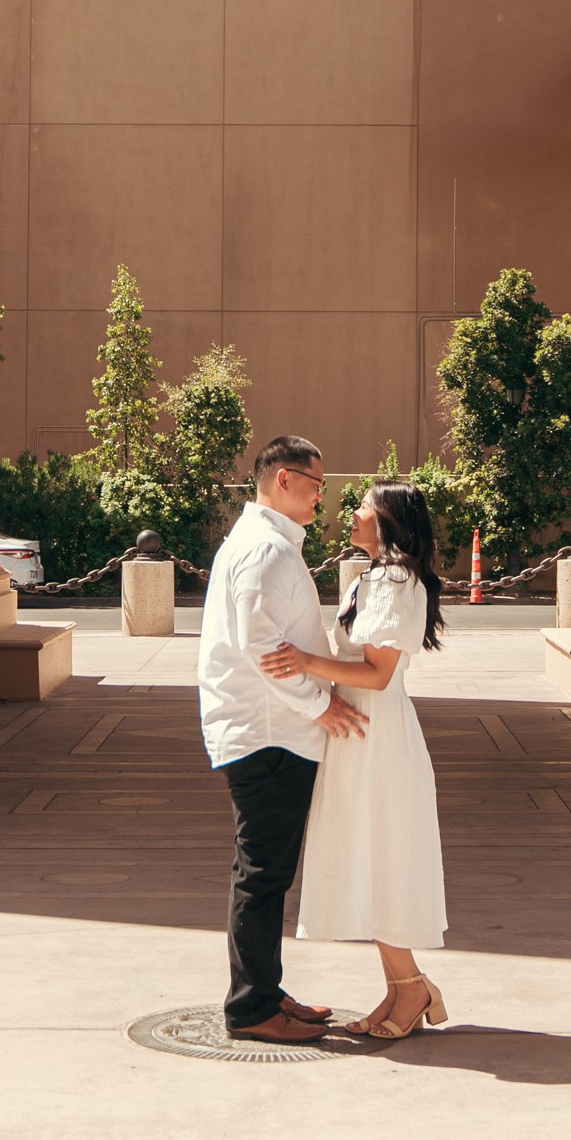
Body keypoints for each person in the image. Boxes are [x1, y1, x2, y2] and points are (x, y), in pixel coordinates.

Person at [262, 480, 450, 1039]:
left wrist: (305, 663)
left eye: (364, 507)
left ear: (388, 520)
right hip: (357, 732)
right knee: (369, 857)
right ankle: (400, 989)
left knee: (384, 855)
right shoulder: (371, 576)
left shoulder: (397, 581)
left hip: (379, 733)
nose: (354, 513)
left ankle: (412, 987)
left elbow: (378, 673)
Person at [196, 432, 364, 1045]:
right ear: (285, 480)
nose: (324, 497)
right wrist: (321, 707)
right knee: (263, 874)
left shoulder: (268, 544)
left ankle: (264, 989)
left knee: (263, 869)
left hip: (270, 731)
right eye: (317, 484)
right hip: (268, 735)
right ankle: (251, 1009)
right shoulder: (265, 550)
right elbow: (263, 649)